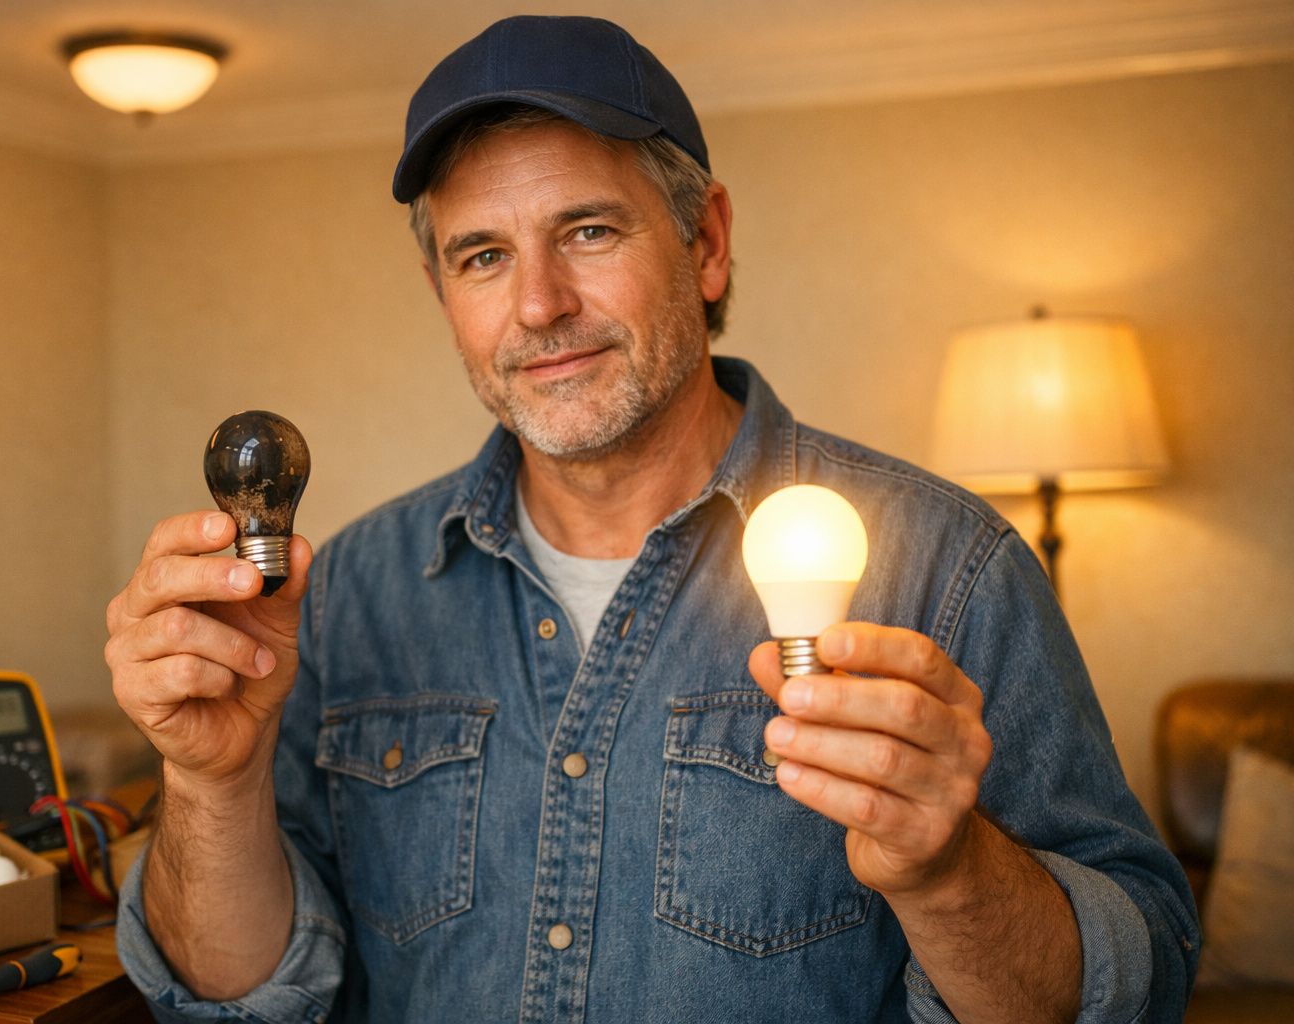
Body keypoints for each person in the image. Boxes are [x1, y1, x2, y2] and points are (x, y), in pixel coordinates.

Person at [108, 15, 1198, 1023]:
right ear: (444, 293)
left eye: (587, 230)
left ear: (706, 241)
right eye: (483, 256)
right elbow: (237, 999)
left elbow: (1136, 986)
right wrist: (212, 781)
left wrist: (950, 870)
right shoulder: (344, 592)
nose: (539, 305)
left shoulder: (950, 570)